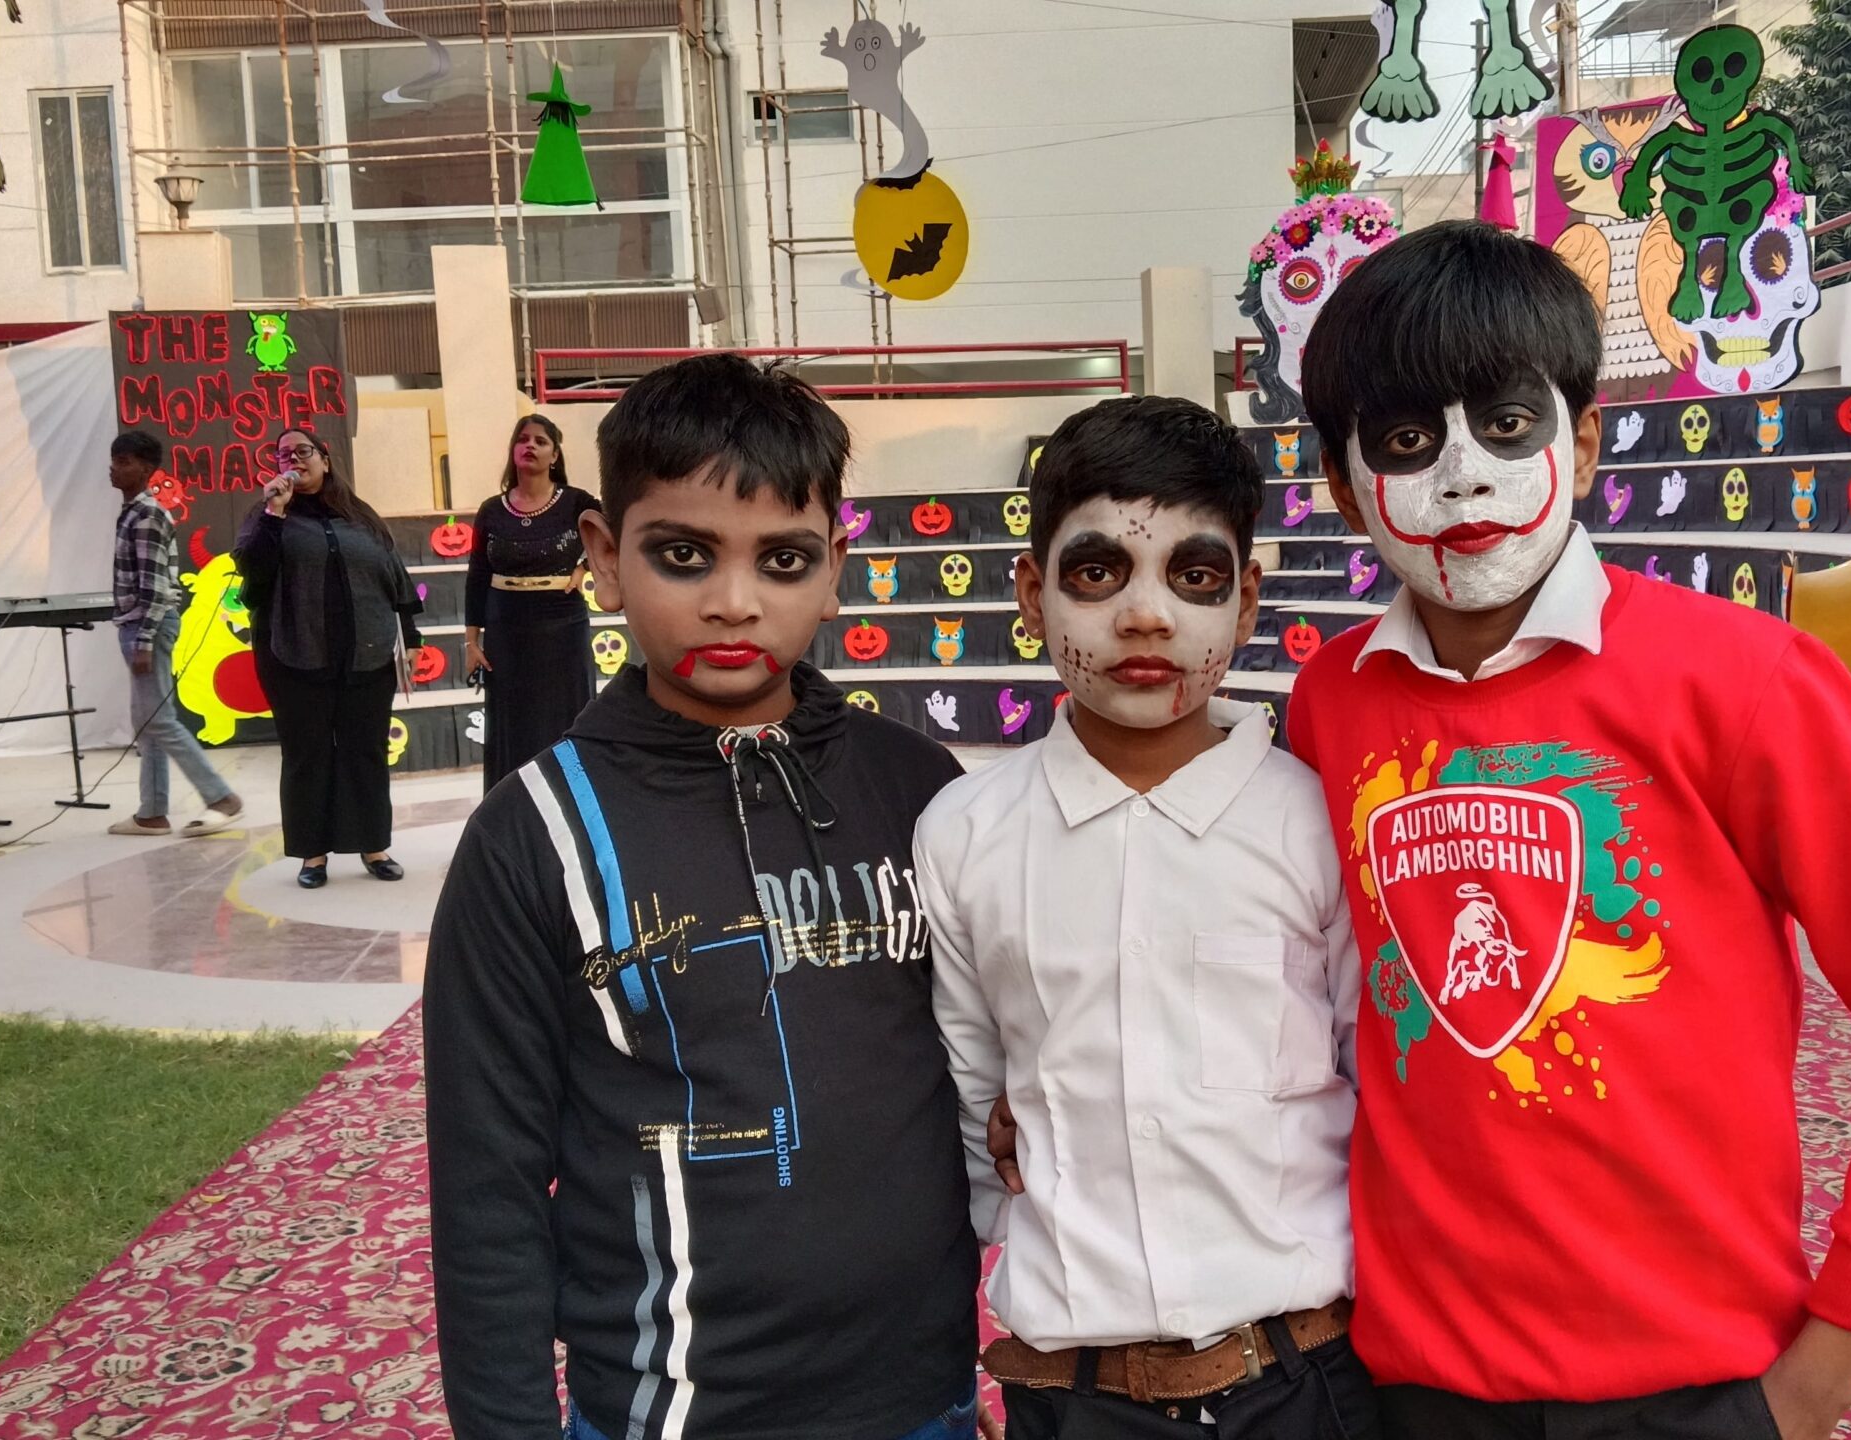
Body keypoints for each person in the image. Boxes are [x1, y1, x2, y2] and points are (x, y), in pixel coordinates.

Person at [1278, 223, 1851, 1440]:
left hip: (1700, 1387)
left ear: (1583, 440)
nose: (1462, 477)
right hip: (1414, 1383)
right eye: (1407, 442)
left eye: (1506, 424)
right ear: (1339, 479)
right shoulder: (1331, 705)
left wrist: (1833, 1353)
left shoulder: (1747, 681)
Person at [423, 354, 982, 1440]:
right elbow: (488, 1191)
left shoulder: (920, 791)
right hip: (669, 1413)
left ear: (835, 569)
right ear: (603, 557)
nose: (735, 601)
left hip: (924, 1400)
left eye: (783, 559)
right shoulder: (530, 837)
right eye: (683, 555)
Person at [919, 396, 1374, 1440]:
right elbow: (976, 1113)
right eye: (1097, 572)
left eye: (1194, 577)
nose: (1146, 616)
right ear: (1030, 592)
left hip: (1305, 1383)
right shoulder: (964, 835)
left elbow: (1376, 1081)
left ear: (1247, 601)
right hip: (1071, 1398)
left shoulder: (1319, 822)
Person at [235, 427, 420, 889]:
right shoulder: (268, 514)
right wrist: (274, 513)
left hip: (367, 655)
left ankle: (373, 846)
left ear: (325, 459)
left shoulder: (361, 516)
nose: (293, 459)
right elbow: (253, 573)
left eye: (303, 450)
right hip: (294, 657)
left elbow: (395, 578)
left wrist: (412, 639)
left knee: (366, 751)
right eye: (283, 455)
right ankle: (312, 855)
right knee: (307, 754)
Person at [103, 431, 244, 838]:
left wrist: (144, 640)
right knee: (147, 721)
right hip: (139, 623)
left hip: (147, 625)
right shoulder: (134, 512)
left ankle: (221, 798)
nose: (114, 468)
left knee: (159, 721)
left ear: (146, 469)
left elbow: (153, 588)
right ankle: (152, 813)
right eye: (114, 460)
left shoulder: (147, 515)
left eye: (124, 461)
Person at [463, 412, 602, 790]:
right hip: (506, 630)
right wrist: (472, 641)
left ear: (555, 455)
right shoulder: (491, 510)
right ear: (513, 450)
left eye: (540, 441)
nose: (530, 446)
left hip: (562, 627)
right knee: (512, 722)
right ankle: (512, 809)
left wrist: (584, 567)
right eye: (523, 439)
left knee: (563, 717)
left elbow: (616, 532)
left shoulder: (577, 502)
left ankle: (570, 802)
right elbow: (477, 574)